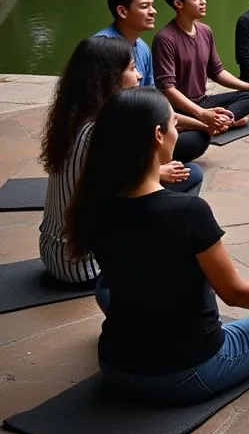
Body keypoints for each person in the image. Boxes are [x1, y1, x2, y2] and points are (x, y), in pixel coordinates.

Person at [63, 88, 249, 403]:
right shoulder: (188, 212)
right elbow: (235, 293)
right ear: (158, 135)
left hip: (114, 365)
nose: (178, 132)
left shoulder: (94, 203)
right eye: (175, 125)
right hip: (188, 372)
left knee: (109, 287)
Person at [39, 37, 202, 286]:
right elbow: (121, 191)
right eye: (132, 69)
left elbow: (107, 181)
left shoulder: (73, 117)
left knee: (180, 170)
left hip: (54, 250)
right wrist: (156, 174)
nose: (138, 76)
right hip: (84, 263)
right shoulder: (99, 131)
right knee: (189, 178)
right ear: (110, 76)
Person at [153, 0, 249, 162]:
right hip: (180, 110)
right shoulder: (165, 39)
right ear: (178, 3)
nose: (203, 1)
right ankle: (211, 124)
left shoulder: (205, 31)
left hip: (203, 101)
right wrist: (202, 114)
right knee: (197, 142)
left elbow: (217, 72)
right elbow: (168, 88)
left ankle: (218, 123)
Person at [93, 0, 158, 86]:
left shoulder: (143, 47)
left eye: (152, 6)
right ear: (123, 11)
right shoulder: (101, 49)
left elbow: (149, 90)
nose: (153, 12)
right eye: (144, 6)